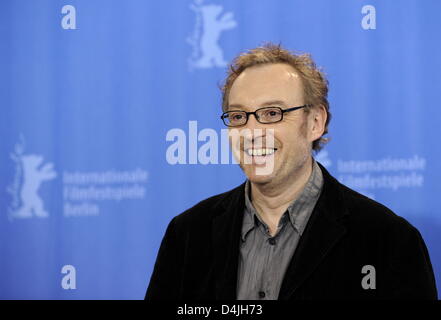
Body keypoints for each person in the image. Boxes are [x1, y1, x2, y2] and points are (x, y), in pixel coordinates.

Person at [145, 43, 438, 300]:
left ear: (315, 123)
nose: (252, 132)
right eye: (238, 116)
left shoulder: (388, 240)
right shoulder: (187, 234)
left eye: (272, 113)